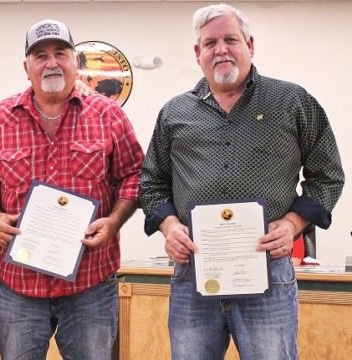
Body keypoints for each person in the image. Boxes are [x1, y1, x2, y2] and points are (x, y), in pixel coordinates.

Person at [139, 4, 344, 360]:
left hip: (267, 272)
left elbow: (327, 175)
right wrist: (169, 227)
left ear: (250, 44)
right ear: (197, 53)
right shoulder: (174, 113)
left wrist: (293, 223)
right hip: (193, 275)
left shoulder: (292, 102)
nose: (221, 49)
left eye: (230, 39)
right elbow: (152, 183)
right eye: (210, 42)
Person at [0, 19, 144, 360]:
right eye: (40, 55)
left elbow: (135, 176)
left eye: (60, 53)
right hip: (20, 287)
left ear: (75, 61)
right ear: (26, 67)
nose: (51, 62)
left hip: (89, 285)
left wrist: (114, 221)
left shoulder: (108, 115)